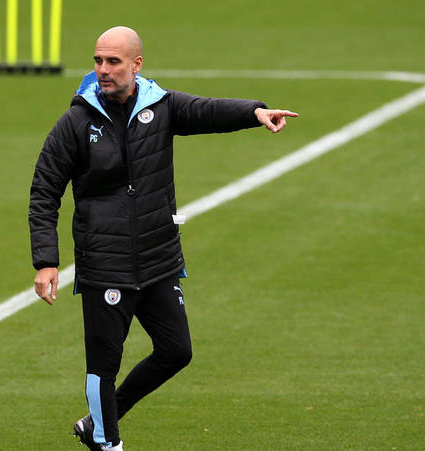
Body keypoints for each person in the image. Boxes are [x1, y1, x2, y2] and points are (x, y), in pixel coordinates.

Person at [29, 26, 298, 451]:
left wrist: (255, 113)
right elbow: (44, 190)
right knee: (103, 365)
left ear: (136, 65)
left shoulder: (161, 106)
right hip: (106, 264)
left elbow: (207, 111)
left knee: (176, 351)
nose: (103, 70)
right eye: (98, 60)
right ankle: (106, 441)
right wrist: (46, 260)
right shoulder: (76, 123)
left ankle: (98, 419)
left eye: (113, 61)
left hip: (158, 259)